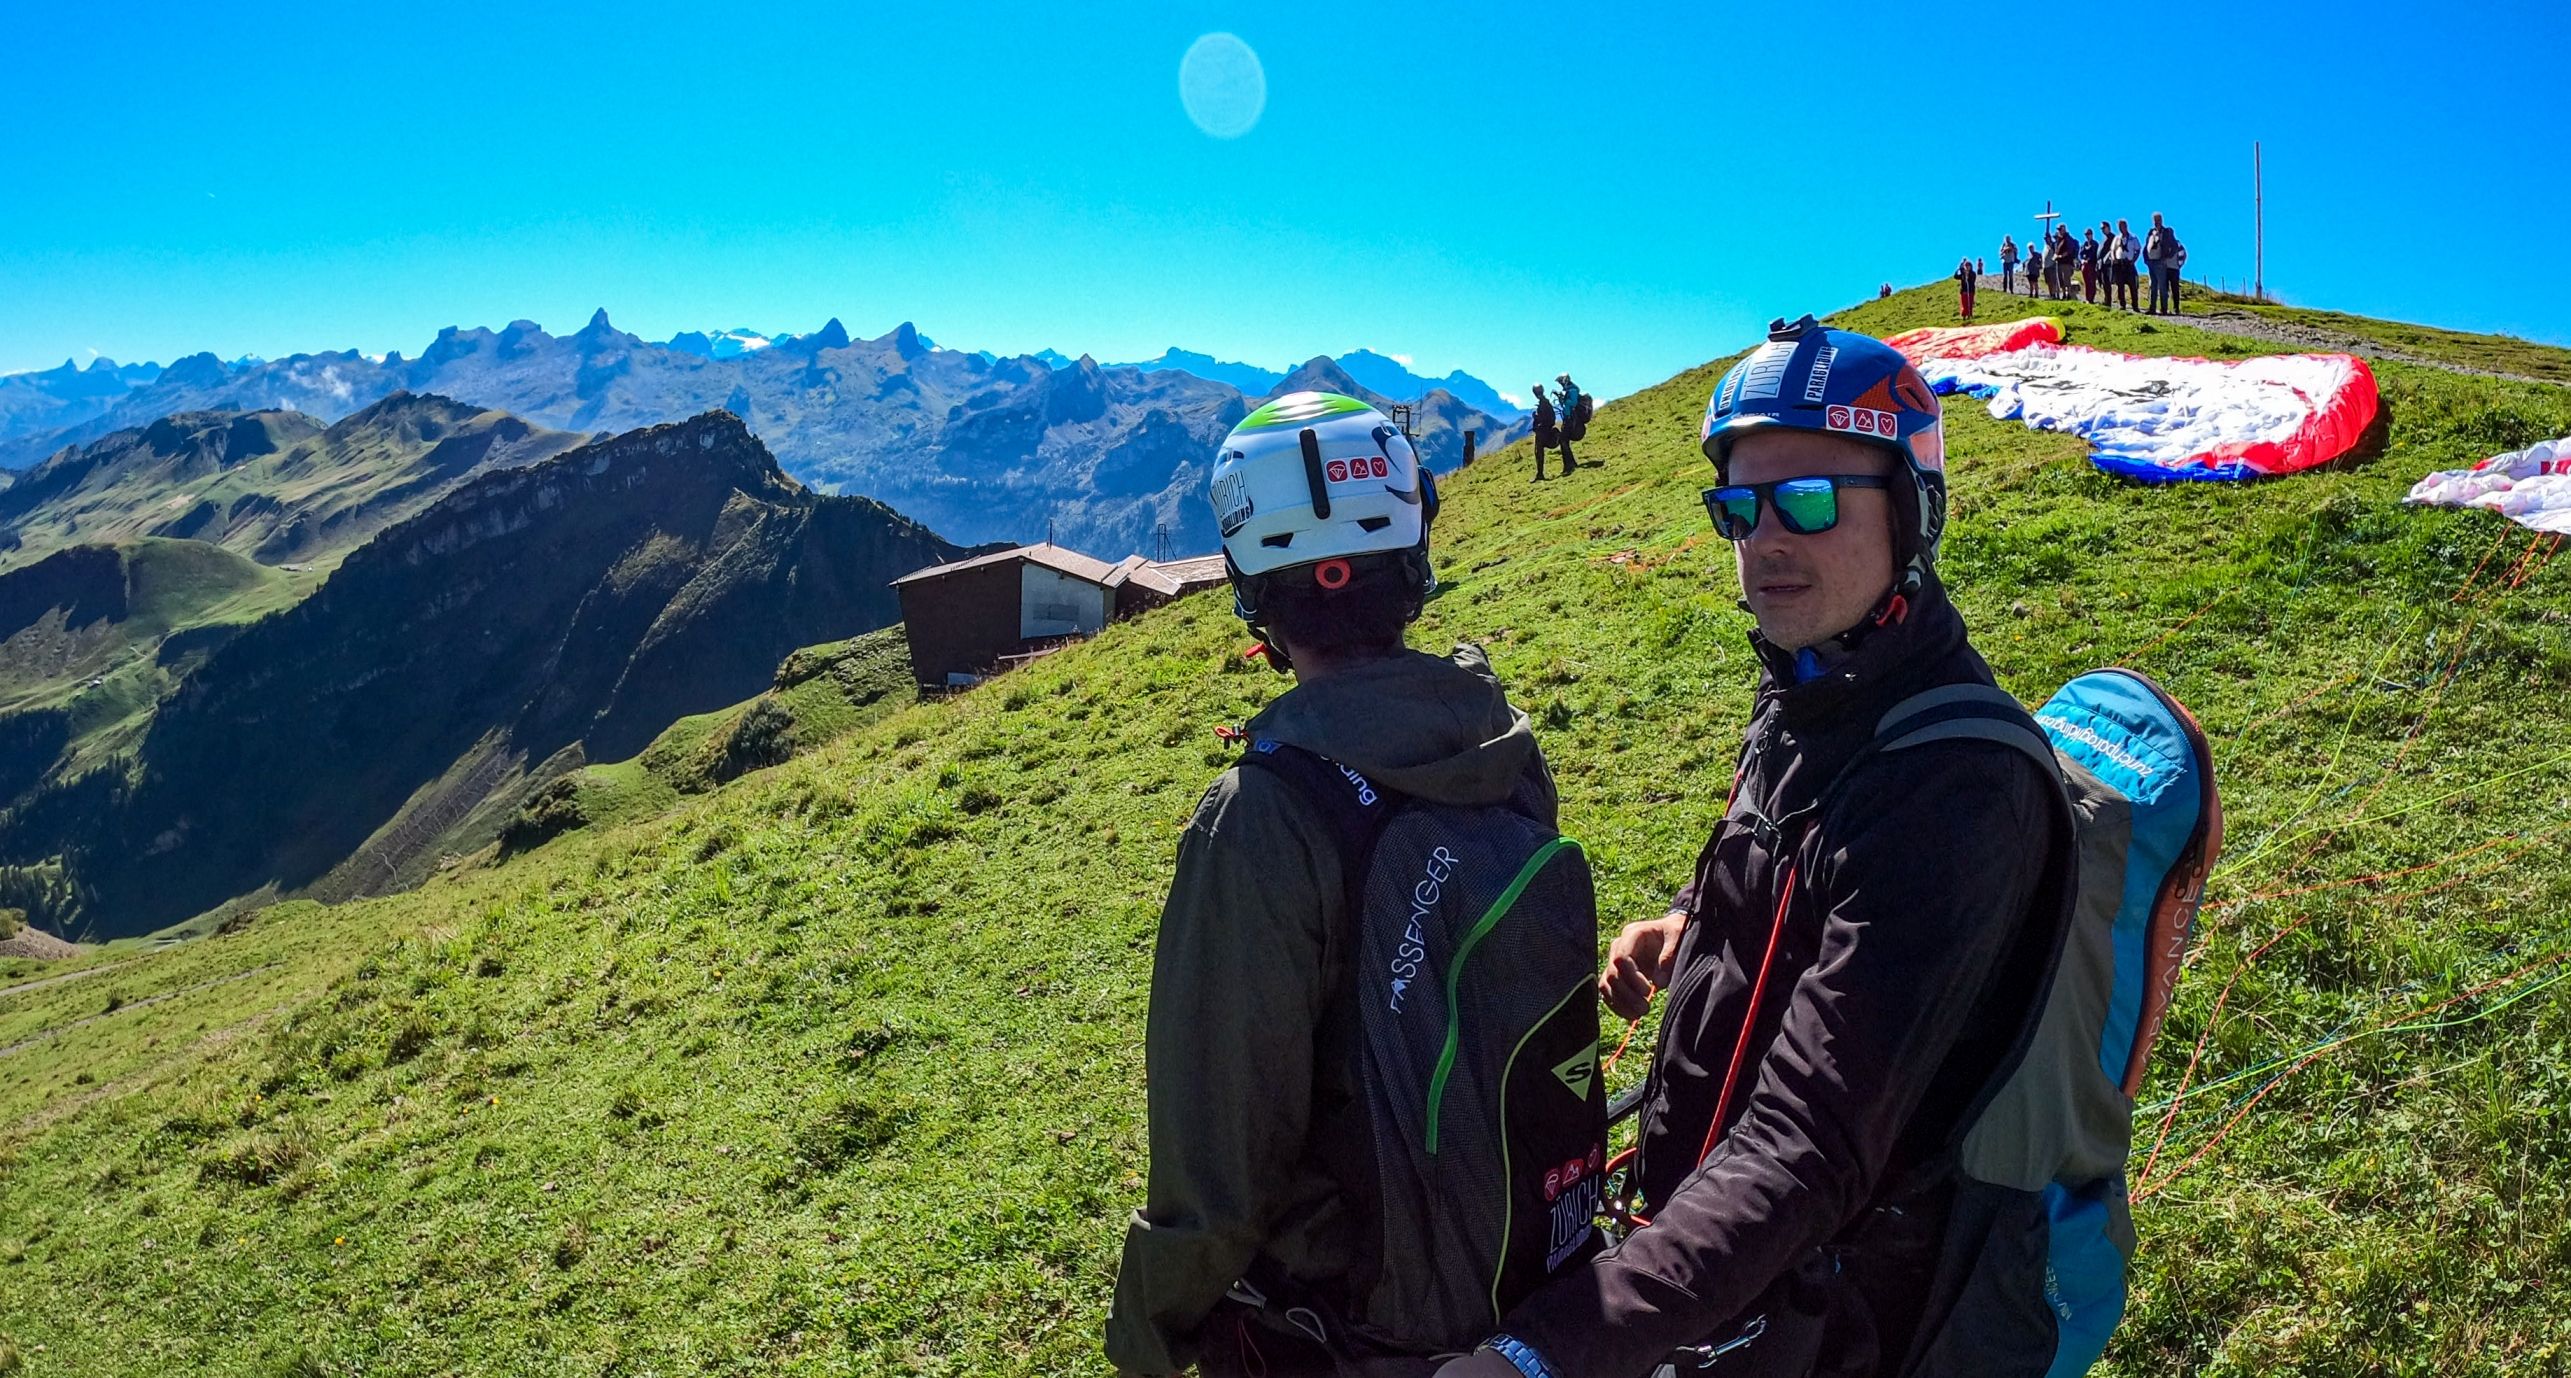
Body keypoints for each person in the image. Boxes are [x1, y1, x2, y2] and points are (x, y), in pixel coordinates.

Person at [1432, 315, 2078, 1378]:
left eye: (1811, 500)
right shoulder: (1813, 691)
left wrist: (1540, 1355)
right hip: (1724, 1267)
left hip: (1836, 1320)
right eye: (1738, 506)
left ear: (1914, 510)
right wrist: (1696, 926)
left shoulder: (1955, 787)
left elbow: (1808, 1145)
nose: (1766, 538)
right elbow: (1805, 877)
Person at [1108, 390, 1600, 1376]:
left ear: (1257, 598)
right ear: (1412, 567)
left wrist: (1150, 1335)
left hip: (1350, 1333)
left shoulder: (1259, 816)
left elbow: (1218, 1168)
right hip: (1536, 1281)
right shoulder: (1500, 744)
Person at [2145, 212, 2184, 315]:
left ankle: (2165, 309)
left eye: (2158, 220)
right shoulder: (2150, 232)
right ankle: (2152, 308)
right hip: (2151, 262)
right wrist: (2146, 259)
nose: (2156, 222)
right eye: (2154, 220)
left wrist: (2166, 257)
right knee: (2153, 286)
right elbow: (2146, 246)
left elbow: (2175, 246)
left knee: (2163, 287)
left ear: (2161, 220)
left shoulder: (2167, 232)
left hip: (2162, 263)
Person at [1555, 373, 1587, 472]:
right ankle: (1570, 463)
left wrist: (1565, 400)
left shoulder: (1572, 390)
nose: (1560, 384)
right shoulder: (1569, 390)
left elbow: (1573, 403)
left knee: (1563, 440)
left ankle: (1569, 465)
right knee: (1563, 440)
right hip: (1569, 418)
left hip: (1572, 419)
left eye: (1561, 382)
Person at [1531, 384, 1560, 480]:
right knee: (1538, 452)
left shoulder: (1544, 404)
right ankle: (1539, 473)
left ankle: (1540, 474)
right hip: (1544, 431)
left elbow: (1547, 419)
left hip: (1544, 432)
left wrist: (1536, 417)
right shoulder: (1545, 403)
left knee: (1539, 452)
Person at [2114, 218, 2144, 311]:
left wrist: (2134, 260)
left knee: (2133, 286)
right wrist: (2114, 259)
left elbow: (2138, 249)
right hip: (2120, 263)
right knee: (2120, 285)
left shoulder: (2133, 238)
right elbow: (2113, 249)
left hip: (2129, 264)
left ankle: (2135, 305)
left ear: (2126, 226)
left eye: (2122, 226)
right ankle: (2122, 305)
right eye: (2119, 226)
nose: (2121, 228)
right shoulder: (2117, 238)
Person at [2078, 228, 2099, 304]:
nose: (2087, 236)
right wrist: (2082, 260)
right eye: (2086, 234)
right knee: (2086, 282)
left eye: (2089, 234)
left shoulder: (2095, 244)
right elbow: (2080, 254)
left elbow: (2095, 254)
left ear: (2092, 234)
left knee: (2092, 282)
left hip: (2092, 265)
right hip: (2084, 266)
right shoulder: (2084, 245)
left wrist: (2089, 260)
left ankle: (2091, 298)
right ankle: (2087, 298)